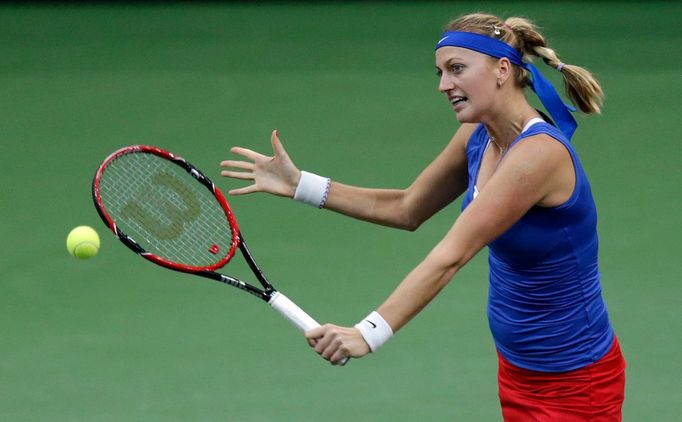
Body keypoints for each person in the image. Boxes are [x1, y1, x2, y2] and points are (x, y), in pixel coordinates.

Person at [219, 12, 626, 421]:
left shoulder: (538, 154)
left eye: (456, 69)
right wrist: (299, 185)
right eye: (440, 72)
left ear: (503, 69)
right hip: (518, 369)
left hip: (575, 382)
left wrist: (368, 333)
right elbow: (408, 207)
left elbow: (451, 254)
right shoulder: (479, 135)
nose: (444, 85)